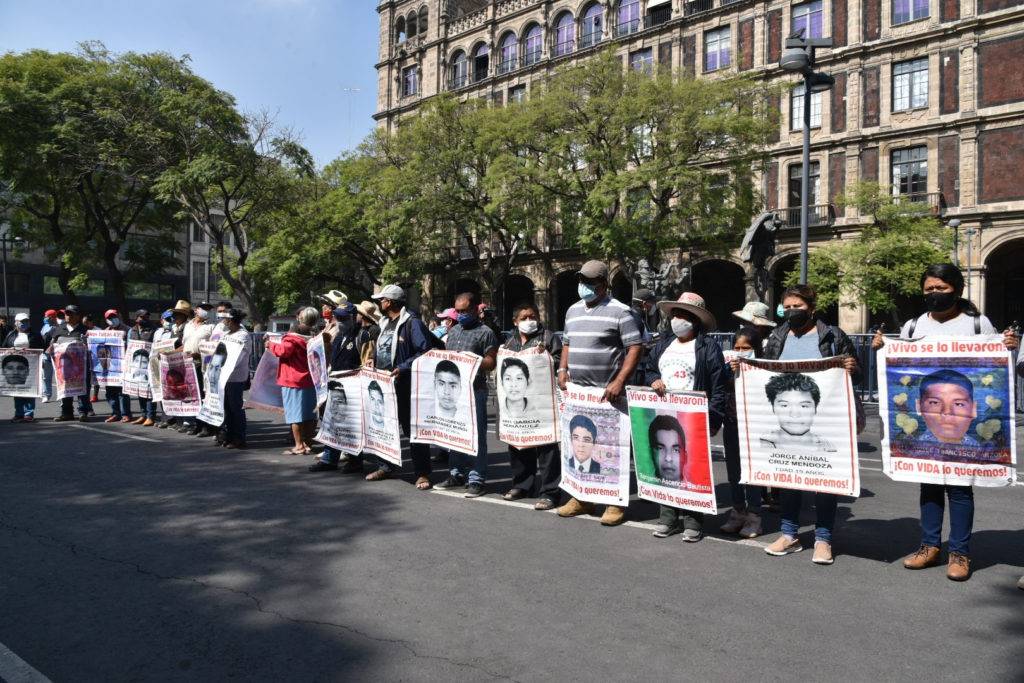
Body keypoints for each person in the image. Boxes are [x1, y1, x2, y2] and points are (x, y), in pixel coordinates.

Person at [873, 263, 1018, 581]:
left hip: (962, 426)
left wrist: (1009, 347)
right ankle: (929, 546)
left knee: (960, 489)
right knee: (929, 485)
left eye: (941, 288)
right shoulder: (913, 325)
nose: (935, 293)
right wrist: (881, 349)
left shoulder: (977, 324)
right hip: (928, 425)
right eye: (929, 289)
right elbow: (900, 365)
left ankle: (960, 553)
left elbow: (996, 367)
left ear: (957, 289)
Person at [761, 284, 859, 566]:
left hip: (826, 419)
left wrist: (852, 368)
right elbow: (765, 370)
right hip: (788, 421)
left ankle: (823, 538)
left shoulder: (832, 335)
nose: (792, 311)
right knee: (789, 478)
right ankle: (789, 534)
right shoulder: (777, 336)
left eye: (798, 306)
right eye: (787, 307)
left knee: (824, 482)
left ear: (812, 308)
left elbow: (858, 373)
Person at [557, 260, 642, 526]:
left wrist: (619, 381)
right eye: (581, 280)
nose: (584, 285)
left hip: (609, 395)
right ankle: (581, 498)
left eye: (590, 282)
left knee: (611, 448)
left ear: (604, 284)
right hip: (578, 394)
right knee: (579, 446)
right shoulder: (572, 310)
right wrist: (562, 369)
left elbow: (635, 347)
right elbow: (567, 343)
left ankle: (614, 502)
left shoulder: (621, 312)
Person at [646, 292, 730, 541]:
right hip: (665, 415)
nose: (677, 319)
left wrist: (713, 418)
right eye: (675, 314)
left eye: (683, 315)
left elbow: (718, 386)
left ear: (695, 320)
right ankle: (668, 518)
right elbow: (648, 369)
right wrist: (654, 379)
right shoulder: (663, 344)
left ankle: (694, 520)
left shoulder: (708, 347)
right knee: (666, 467)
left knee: (692, 468)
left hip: (694, 418)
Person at [367, 284, 435, 489]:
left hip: (406, 385)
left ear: (389, 302)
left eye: (382, 300)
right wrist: (373, 359)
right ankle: (386, 466)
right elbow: (384, 348)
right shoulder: (385, 323)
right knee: (384, 426)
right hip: (384, 385)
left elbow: (425, 351)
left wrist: (403, 367)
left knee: (412, 429)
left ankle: (422, 473)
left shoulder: (412, 323)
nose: (379, 303)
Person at [434, 291, 499, 498]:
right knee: (454, 432)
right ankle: (456, 474)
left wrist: (473, 360)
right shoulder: (453, 331)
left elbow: (491, 362)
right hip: (455, 392)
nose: (460, 315)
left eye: (464, 311)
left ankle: (476, 479)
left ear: (475, 309)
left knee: (477, 436)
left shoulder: (486, 332)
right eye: (457, 311)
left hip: (475, 391)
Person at [501, 302, 564, 509]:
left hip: (543, 402)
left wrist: (544, 356)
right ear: (515, 321)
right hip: (518, 404)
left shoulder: (548, 338)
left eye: (533, 316)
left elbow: (560, 361)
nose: (529, 321)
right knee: (518, 443)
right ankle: (522, 485)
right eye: (524, 318)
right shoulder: (510, 341)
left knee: (547, 448)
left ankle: (550, 492)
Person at [309, 302, 365, 472]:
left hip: (353, 387)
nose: (339, 321)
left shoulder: (362, 336)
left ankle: (355, 460)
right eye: (337, 317)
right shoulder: (339, 336)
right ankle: (329, 459)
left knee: (352, 425)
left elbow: (366, 362)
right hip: (335, 385)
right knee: (331, 422)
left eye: (343, 318)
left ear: (353, 318)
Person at [721, 327, 767, 536]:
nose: (740, 352)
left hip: (754, 425)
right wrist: (728, 372)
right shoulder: (728, 367)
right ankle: (737, 512)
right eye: (737, 347)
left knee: (752, 473)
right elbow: (720, 387)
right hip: (732, 423)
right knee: (734, 472)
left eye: (746, 348)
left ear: (755, 348)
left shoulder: (764, 367)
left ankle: (754, 517)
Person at [267, 307, 319, 455]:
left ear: (300, 319)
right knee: (310, 414)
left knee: (295, 415)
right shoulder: (316, 337)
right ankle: (307, 443)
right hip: (311, 379)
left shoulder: (292, 338)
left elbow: (283, 351)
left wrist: (270, 344)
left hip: (293, 380)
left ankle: (299, 445)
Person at [758, 373, 836, 451]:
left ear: (815, 409)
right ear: (773, 408)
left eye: (804, 406)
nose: (794, 414)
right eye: (784, 405)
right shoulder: (758, 444)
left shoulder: (829, 448)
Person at [45, 304, 91, 422]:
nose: (68, 316)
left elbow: (91, 348)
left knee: (82, 388)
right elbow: (52, 344)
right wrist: (50, 349)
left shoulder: (85, 330)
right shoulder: (59, 329)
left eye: (71, 314)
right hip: (64, 367)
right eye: (66, 314)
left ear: (78, 316)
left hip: (81, 367)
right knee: (65, 389)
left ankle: (83, 412)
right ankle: (66, 413)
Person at [219, 308, 252, 449]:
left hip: (235, 377)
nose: (223, 321)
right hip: (223, 376)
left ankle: (239, 437)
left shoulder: (243, 335)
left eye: (225, 319)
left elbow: (237, 357)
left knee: (235, 407)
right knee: (226, 407)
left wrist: (225, 366)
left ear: (231, 320)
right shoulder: (225, 334)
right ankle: (228, 435)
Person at [4, 313, 44, 423]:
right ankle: (19, 413)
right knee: (17, 391)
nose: (24, 323)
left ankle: (28, 414)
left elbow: (42, 348)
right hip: (15, 367)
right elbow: (4, 348)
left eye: (26, 321)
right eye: (21, 321)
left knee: (30, 390)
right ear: (16, 323)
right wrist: (10, 350)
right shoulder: (11, 335)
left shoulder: (35, 335)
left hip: (31, 367)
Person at [98, 309, 133, 424]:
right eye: (109, 318)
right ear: (106, 320)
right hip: (109, 366)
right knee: (110, 391)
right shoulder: (105, 332)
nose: (112, 319)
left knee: (122, 392)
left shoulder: (128, 330)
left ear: (119, 317)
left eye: (114, 316)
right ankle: (115, 413)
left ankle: (125, 414)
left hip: (123, 366)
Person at [126, 309, 157, 425]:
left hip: (148, 363)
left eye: (147, 317)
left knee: (149, 390)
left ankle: (150, 416)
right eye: (142, 317)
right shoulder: (131, 331)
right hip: (135, 364)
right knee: (140, 389)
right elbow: (128, 346)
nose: (145, 319)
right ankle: (143, 414)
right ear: (136, 318)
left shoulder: (153, 330)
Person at [154, 309, 180, 429]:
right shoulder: (157, 332)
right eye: (168, 319)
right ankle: (165, 417)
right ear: (162, 320)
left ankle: (173, 418)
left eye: (172, 319)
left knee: (173, 391)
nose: (171, 321)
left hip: (172, 365)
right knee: (162, 391)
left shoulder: (175, 331)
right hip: (159, 365)